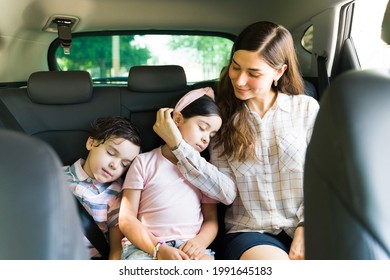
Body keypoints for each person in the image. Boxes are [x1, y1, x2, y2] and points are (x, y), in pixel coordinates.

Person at [153, 21, 320, 260]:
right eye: (235, 67)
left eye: (253, 73)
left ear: (279, 72)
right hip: (250, 231)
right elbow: (227, 193)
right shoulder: (221, 119)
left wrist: (307, 225)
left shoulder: (305, 108)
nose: (240, 80)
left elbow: (325, 177)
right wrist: (178, 145)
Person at [119, 87, 220, 260]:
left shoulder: (204, 171)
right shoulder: (143, 162)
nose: (206, 139)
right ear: (178, 119)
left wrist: (199, 243)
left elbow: (211, 220)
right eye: (202, 128)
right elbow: (127, 219)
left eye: (211, 135)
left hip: (190, 248)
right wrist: (158, 249)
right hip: (145, 247)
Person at [64, 116, 141, 259]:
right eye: (111, 153)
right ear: (91, 143)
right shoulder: (55, 175)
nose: (115, 165)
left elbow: (116, 249)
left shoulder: (117, 194)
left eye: (124, 164)